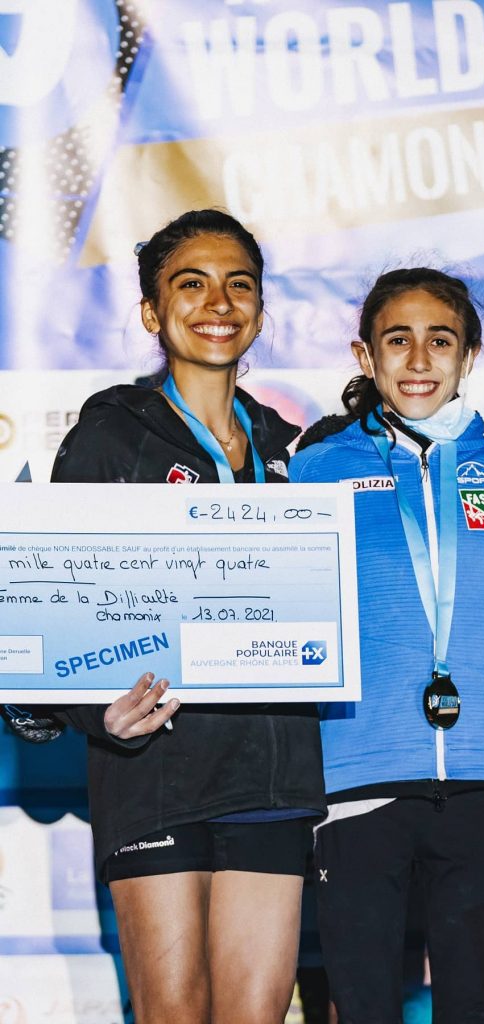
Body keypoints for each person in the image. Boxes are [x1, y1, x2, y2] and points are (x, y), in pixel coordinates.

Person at [8, 210, 326, 1023]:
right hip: (155, 771)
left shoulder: (296, 454)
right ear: (152, 312)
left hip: (272, 777)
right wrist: (98, 712)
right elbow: (54, 604)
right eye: (191, 284)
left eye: (239, 284)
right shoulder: (112, 437)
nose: (218, 302)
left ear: (260, 310)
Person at [289, 268, 484, 1022]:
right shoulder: (315, 470)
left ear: (469, 355)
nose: (419, 360)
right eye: (398, 340)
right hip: (356, 784)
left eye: (440, 340)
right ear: (365, 355)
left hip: (480, 781)